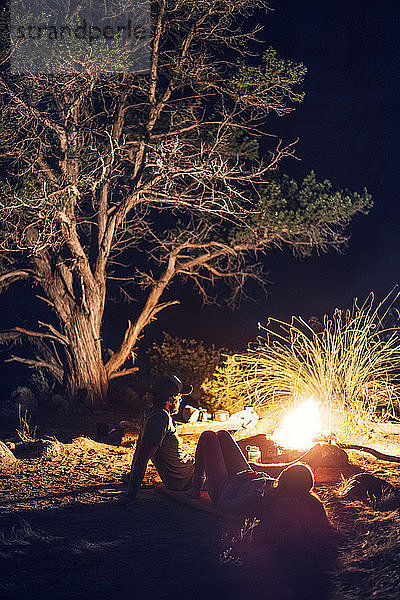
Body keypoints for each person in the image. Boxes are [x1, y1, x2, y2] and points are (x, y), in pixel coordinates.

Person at [124, 374, 195, 502]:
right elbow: (142, 458)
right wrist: (131, 495)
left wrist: (131, 479)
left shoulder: (150, 414)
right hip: (186, 477)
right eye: (179, 396)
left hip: (186, 472)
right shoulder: (160, 419)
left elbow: (139, 451)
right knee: (216, 441)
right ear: (170, 399)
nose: (181, 400)